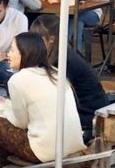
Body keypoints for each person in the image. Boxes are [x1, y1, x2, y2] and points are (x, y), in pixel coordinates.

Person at [0, 32, 85, 168]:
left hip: (44, 151)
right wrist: (5, 102)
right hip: (72, 144)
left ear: (25, 53)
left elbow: (20, 122)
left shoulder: (18, 79)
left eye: (12, 50)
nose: (8, 55)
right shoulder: (55, 72)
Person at [30, 14, 109, 142]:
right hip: (88, 115)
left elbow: (50, 98)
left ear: (51, 39)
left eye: (37, 39)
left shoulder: (63, 62)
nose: (33, 44)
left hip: (87, 122)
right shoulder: (64, 55)